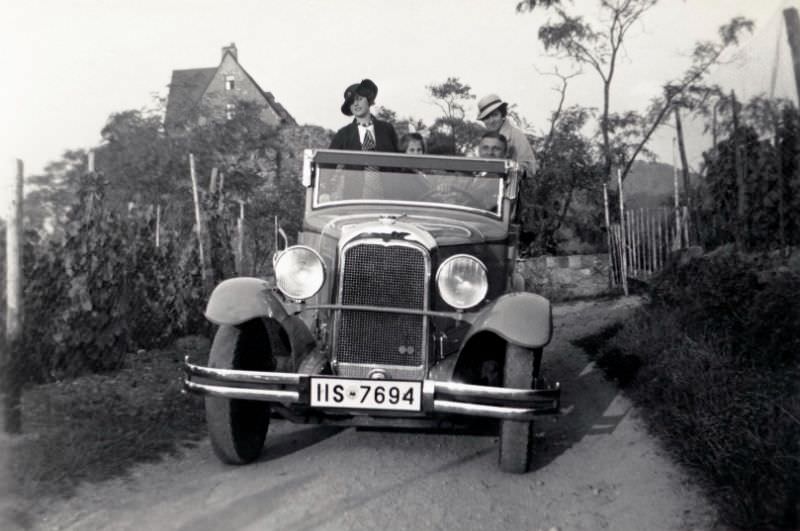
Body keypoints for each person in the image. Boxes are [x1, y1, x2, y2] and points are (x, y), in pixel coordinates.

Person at [330, 79, 399, 152]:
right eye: (351, 102)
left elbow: (400, 158)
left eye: (359, 99)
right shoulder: (343, 134)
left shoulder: (387, 129)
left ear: (369, 100)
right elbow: (325, 161)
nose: (355, 104)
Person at [476, 94, 537, 177]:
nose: (491, 121)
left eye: (495, 115)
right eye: (487, 118)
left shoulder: (515, 135)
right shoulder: (485, 137)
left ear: (502, 115)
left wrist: (512, 169)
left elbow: (531, 169)